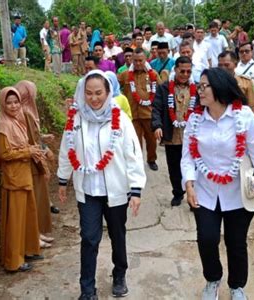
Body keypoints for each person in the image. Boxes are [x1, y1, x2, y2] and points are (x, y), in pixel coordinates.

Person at [181, 68, 254, 300]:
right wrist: (189, 185)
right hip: (204, 192)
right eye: (199, 86)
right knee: (207, 238)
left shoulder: (243, 116)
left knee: (236, 242)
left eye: (204, 86)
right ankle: (213, 279)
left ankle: (236, 286)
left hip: (238, 193)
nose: (199, 91)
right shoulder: (194, 120)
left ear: (219, 87)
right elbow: (188, 156)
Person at [57, 70, 146, 300]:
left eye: (98, 93)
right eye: (88, 93)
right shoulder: (75, 119)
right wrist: (62, 178)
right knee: (88, 238)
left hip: (115, 191)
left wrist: (136, 189)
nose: (94, 98)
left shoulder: (120, 119)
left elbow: (133, 154)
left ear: (108, 92)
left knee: (117, 234)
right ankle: (87, 289)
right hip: (87, 190)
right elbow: (67, 150)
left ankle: (119, 274)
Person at [0, 87, 42, 272]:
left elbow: (21, 146)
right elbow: (4, 154)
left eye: (16, 102)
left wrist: (32, 150)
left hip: (23, 176)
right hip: (14, 180)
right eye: (9, 103)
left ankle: (27, 250)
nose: (13, 106)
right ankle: (14, 260)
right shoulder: (4, 126)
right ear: (3, 105)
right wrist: (28, 151)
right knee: (16, 221)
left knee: (27, 216)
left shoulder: (17, 121)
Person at [14, 80, 55, 248]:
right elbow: (31, 141)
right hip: (33, 164)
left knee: (37, 201)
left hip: (32, 162)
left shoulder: (25, 112)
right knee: (35, 203)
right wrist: (44, 161)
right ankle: (34, 236)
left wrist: (43, 138)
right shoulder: (25, 113)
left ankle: (37, 233)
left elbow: (34, 136)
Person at [152, 56, 194, 207]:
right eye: (182, 71)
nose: (185, 74)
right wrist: (157, 125)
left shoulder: (197, 89)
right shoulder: (164, 88)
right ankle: (178, 193)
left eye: (188, 71)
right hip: (172, 135)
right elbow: (156, 108)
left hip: (191, 136)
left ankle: (193, 194)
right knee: (174, 166)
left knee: (193, 166)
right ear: (175, 70)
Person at [119, 48, 162, 171]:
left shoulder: (153, 74)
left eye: (140, 60)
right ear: (132, 60)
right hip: (132, 115)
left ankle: (151, 160)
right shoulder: (125, 75)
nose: (138, 63)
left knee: (151, 141)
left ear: (145, 60)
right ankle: (136, 163)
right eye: (136, 60)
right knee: (134, 142)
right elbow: (114, 86)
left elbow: (160, 92)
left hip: (149, 114)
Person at [235, 42, 254, 126]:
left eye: (247, 51)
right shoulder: (235, 68)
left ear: (252, 52)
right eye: (241, 51)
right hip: (242, 105)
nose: (244, 53)